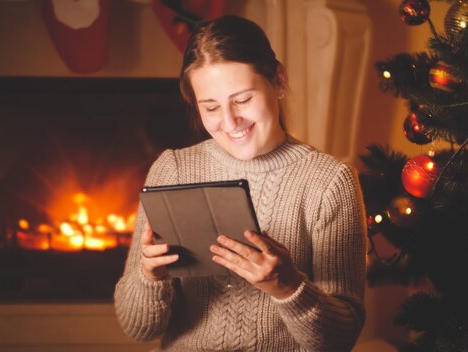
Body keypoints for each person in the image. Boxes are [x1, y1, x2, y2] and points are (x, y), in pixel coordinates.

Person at [114, 15, 366, 352]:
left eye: (243, 100)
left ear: (278, 81)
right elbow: (137, 329)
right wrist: (150, 277)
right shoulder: (173, 169)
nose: (230, 122)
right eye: (211, 107)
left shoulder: (329, 181)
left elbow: (340, 340)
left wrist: (287, 287)